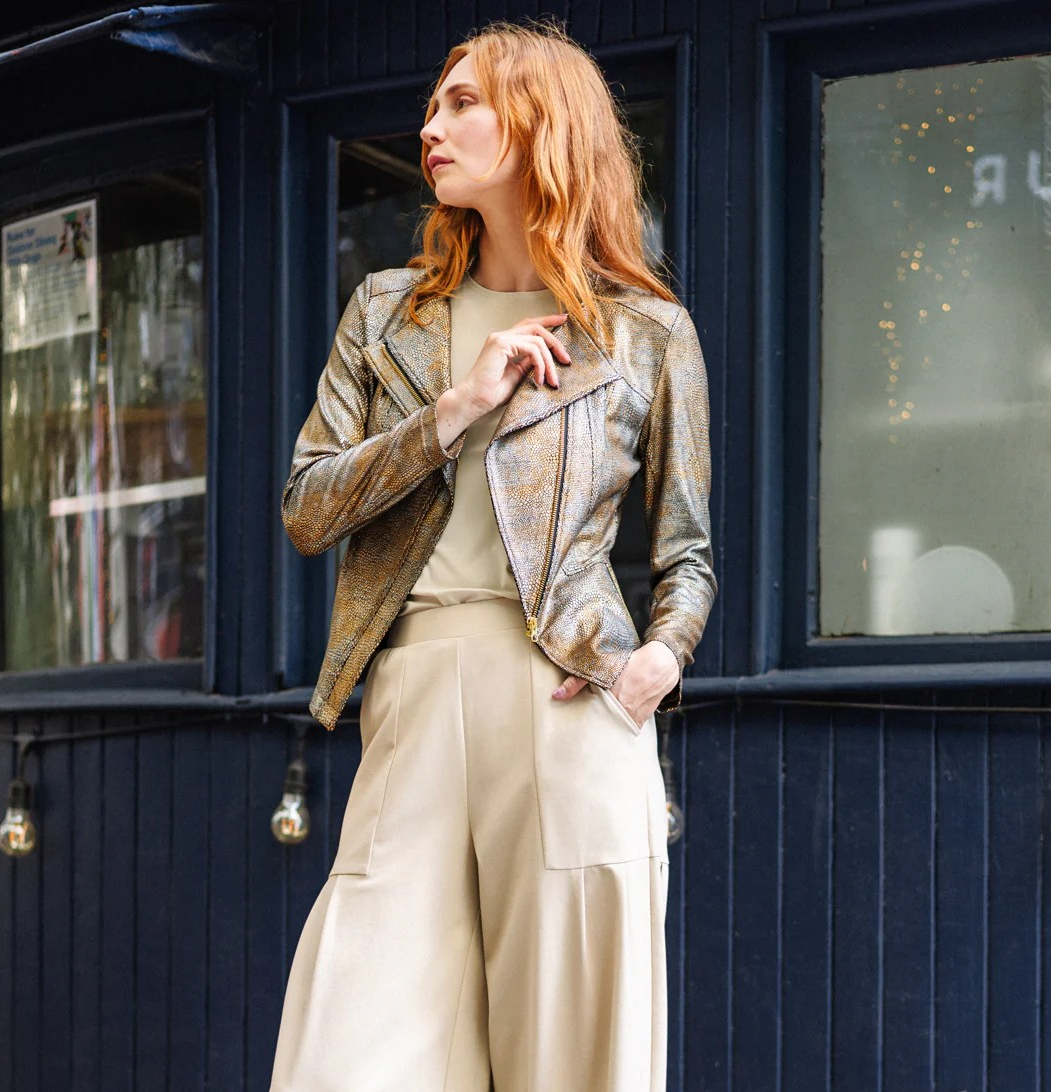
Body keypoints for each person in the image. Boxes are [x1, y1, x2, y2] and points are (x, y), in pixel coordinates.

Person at [269, 19, 716, 1092]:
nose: (432, 125)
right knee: (347, 1055)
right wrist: (456, 409)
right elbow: (307, 510)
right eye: (434, 104)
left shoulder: (647, 333)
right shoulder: (388, 312)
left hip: (569, 705)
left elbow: (688, 552)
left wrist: (660, 661)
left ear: (541, 124)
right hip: (413, 693)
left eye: (463, 103)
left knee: (572, 1063)